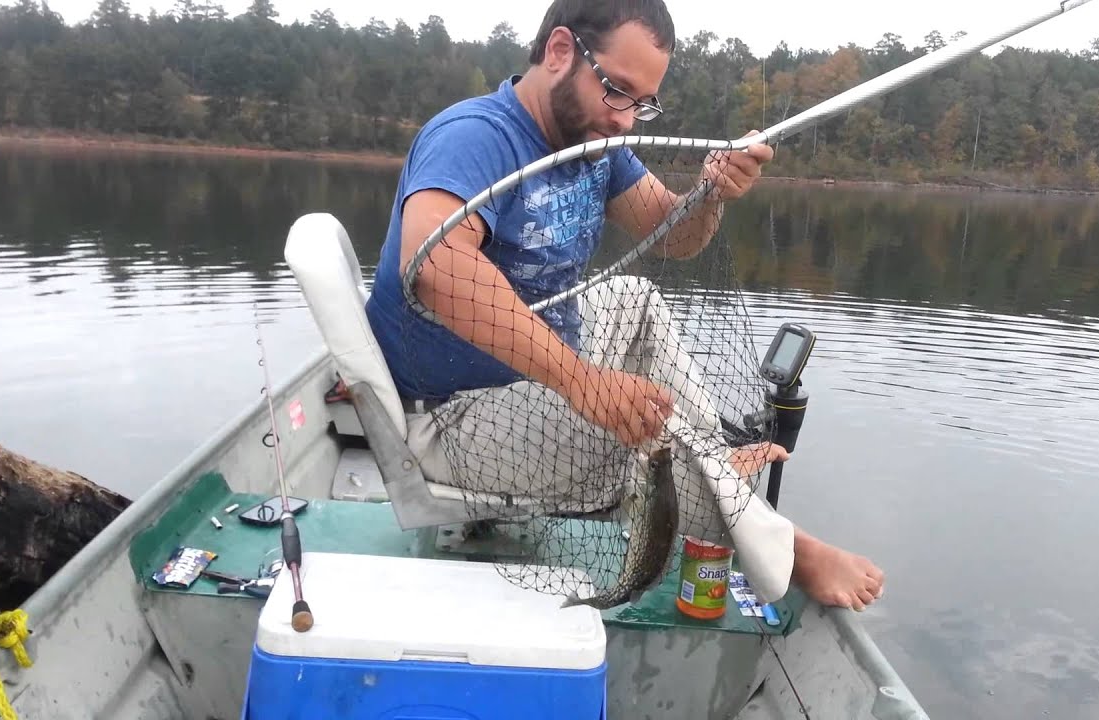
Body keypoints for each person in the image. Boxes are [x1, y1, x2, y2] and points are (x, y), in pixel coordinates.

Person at [366, 0, 884, 612]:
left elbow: (674, 234)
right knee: (648, 440)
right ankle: (786, 545)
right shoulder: (475, 136)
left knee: (636, 300)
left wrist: (711, 191)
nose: (626, 119)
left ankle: (710, 464)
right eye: (616, 90)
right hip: (450, 419)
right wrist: (582, 382)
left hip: (537, 379)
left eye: (643, 103)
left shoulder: (596, 142)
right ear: (560, 51)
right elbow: (436, 265)